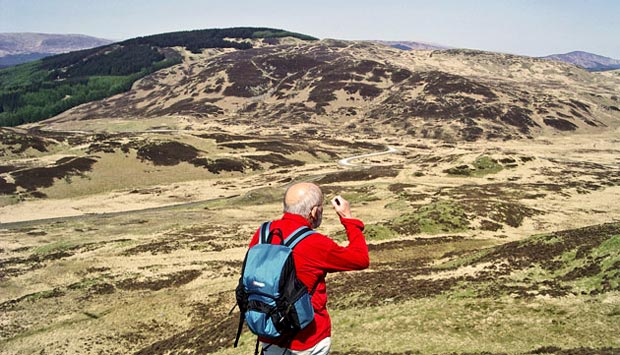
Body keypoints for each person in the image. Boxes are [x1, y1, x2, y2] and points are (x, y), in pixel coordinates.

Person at [246, 182, 369, 355]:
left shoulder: (263, 232)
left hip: (269, 331)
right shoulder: (315, 243)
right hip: (308, 340)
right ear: (314, 211)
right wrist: (348, 219)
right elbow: (361, 258)